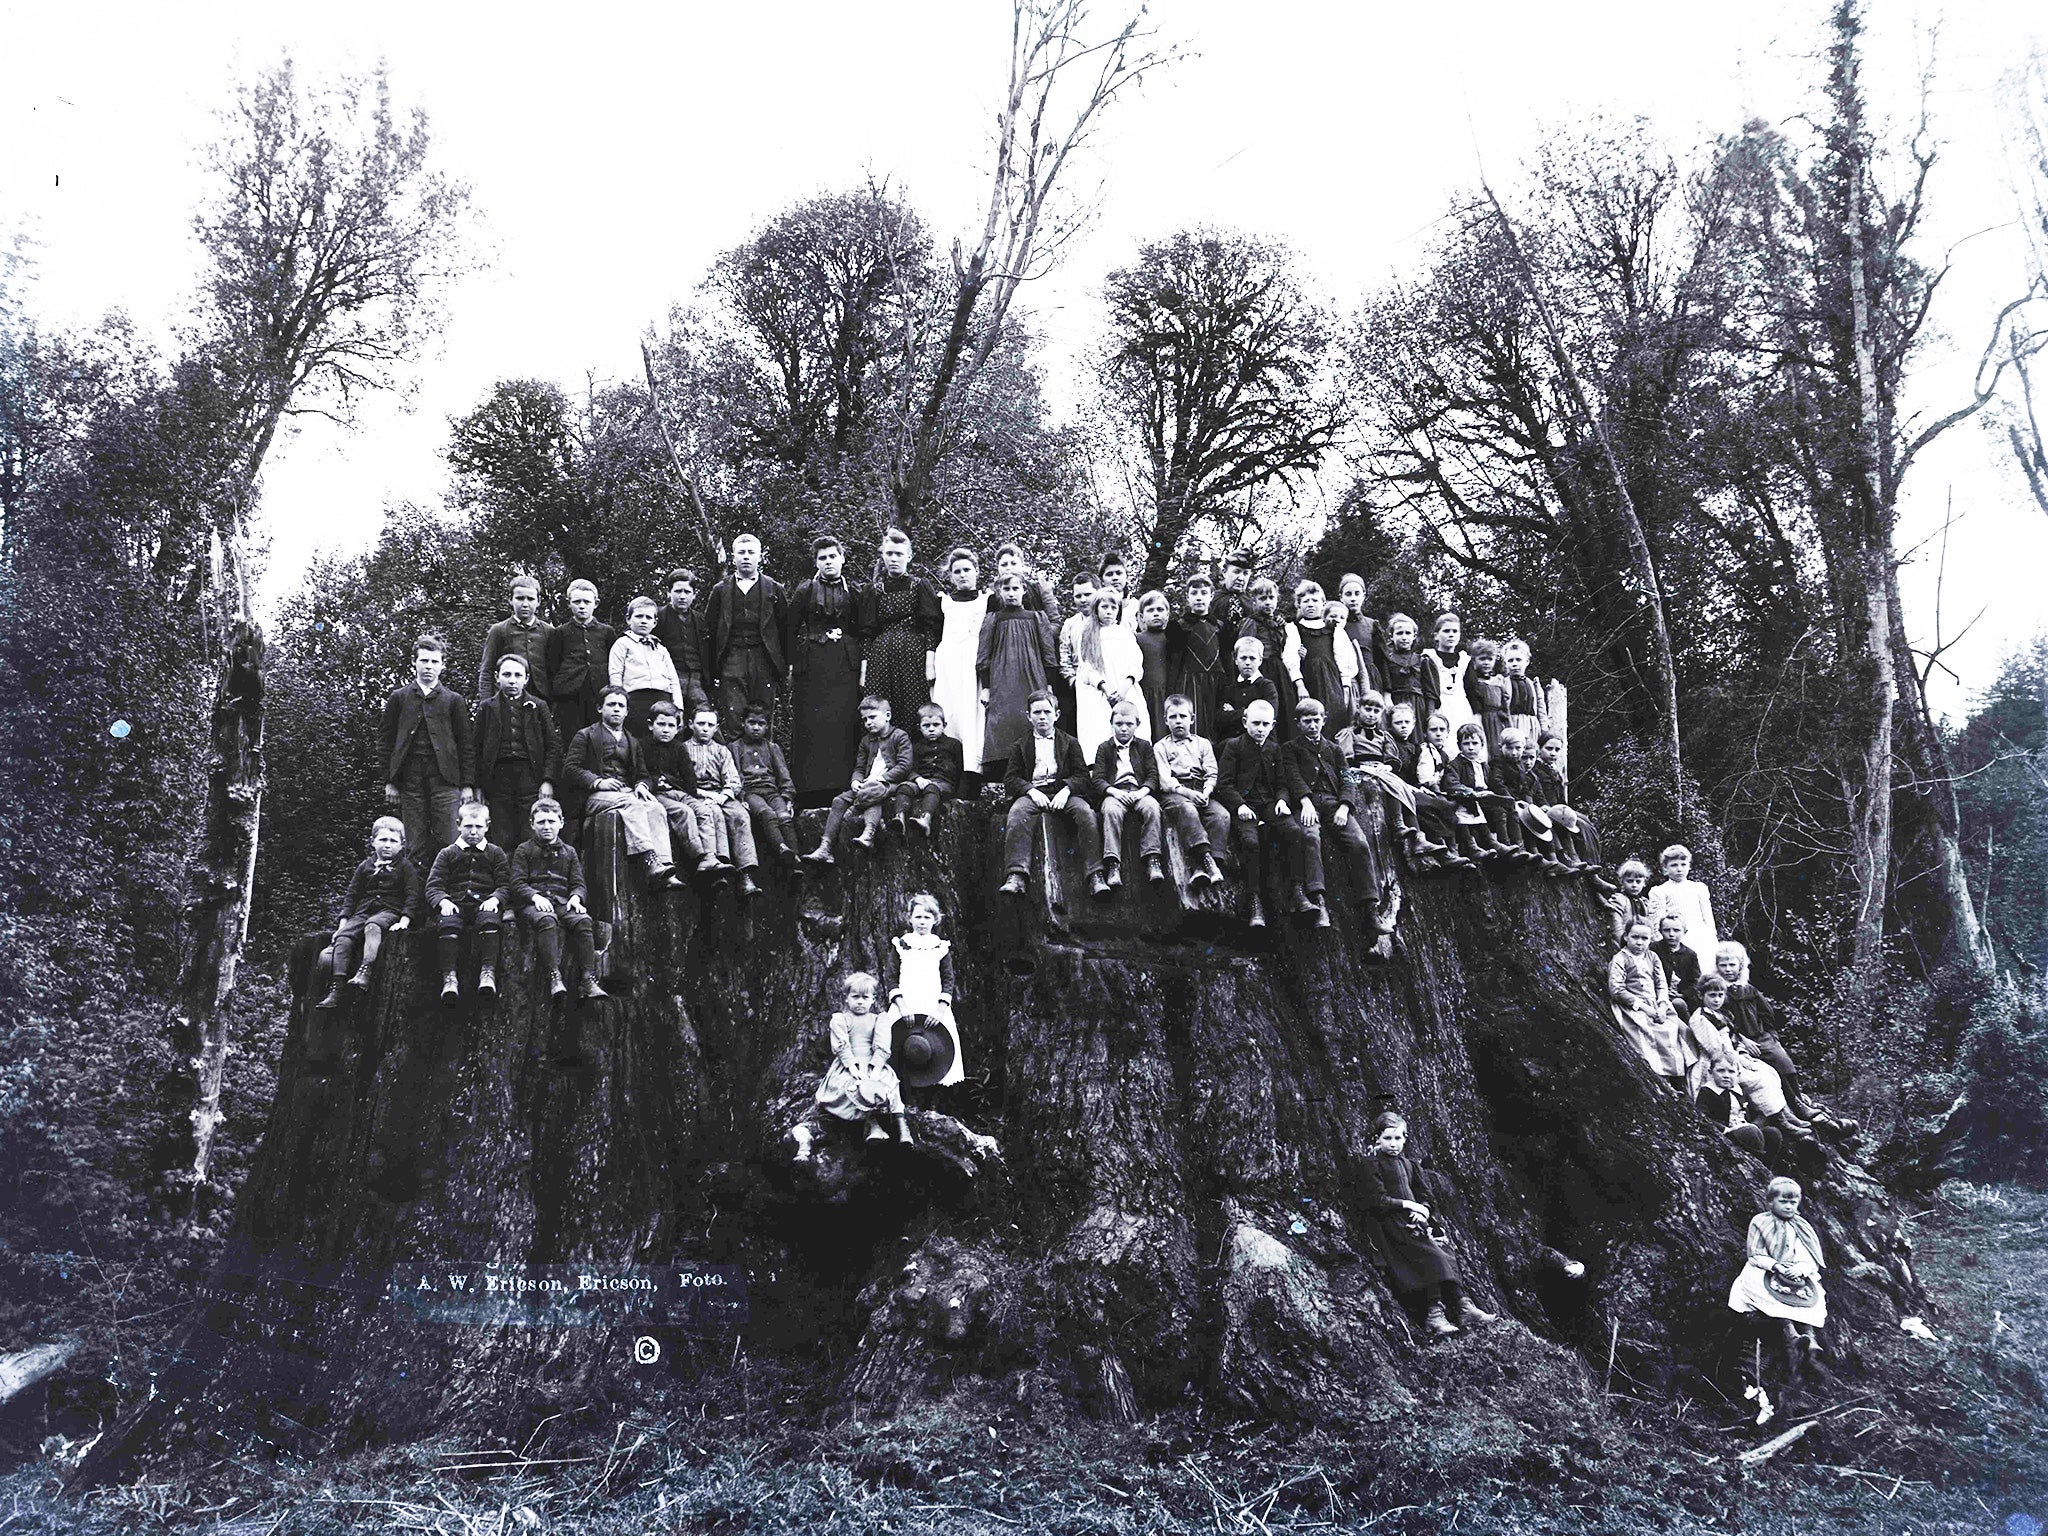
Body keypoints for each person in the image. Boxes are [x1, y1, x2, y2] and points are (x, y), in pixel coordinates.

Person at [1360, 1112, 1496, 1339]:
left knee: (1445, 1251)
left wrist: (1423, 1211)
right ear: (1378, 1140)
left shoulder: (1410, 1165)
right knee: (1429, 1254)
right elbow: (1378, 1201)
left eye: (1398, 1138)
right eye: (1387, 1138)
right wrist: (1410, 1206)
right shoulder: (1372, 1164)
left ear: (1405, 1139)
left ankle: (1464, 1306)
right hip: (1391, 1226)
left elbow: (1426, 1197)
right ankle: (1434, 1315)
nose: (1393, 1144)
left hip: (1416, 1224)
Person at [1714, 943, 1857, 1139]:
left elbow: (1767, 1013)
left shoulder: (1749, 989)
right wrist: (1742, 1039)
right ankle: (1793, 1110)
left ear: (1740, 966)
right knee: (1771, 1072)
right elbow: (1723, 1022)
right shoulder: (1719, 992)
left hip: (1761, 1037)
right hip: (1740, 1041)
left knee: (1785, 1064)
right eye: (1723, 966)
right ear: (1717, 967)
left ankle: (1800, 1103)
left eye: (1732, 965)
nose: (1728, 970)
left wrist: (1771, 1035)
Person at [998, 689, 1107, 900]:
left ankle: (1095, 875)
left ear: (1056, 715)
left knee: (1085, 813)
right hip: (1034, 793)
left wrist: (1066, 790)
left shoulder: (1070, 743)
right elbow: (1011, 779)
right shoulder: (1020, 746)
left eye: (1047, 712)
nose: (1042, 717)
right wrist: (1030, 790)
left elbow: (1083, 777)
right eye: (1037, 712)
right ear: (1028, 716)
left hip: (1062, 793)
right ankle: (1016, 875)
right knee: (1017, 813)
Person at [380, 633, 477, 866]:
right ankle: (417, 900)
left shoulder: (453, 701)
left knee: (451, 841)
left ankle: (451, 899)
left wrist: (466, 785)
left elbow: (466, 745)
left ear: (442, 665)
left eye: (434, 662)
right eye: (424, 661)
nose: (429, 667)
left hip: (446, 781)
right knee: (415, 845)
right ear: (414, 662)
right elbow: (385, 742)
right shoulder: (399, 698)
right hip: (410, 781)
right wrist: (390, 780)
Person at [563, 687, 677, 886]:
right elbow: (570, 768)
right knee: (632, 803)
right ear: (600, 708)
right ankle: (648, 859)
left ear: (627, 712)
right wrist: (598, 781)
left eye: (621, 706)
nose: (616, 709)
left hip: (625, 793)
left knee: (656, 807)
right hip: (595, 797)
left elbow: (643, 775)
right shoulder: (585, 736)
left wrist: (642, 785)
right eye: (611, 704)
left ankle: (665, 867)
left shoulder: (632, 741)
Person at [1282, 696, 1378, 927]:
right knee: (1310, 837)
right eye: (1307, 721)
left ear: (1324, 720)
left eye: (1316, 720)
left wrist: (1345, 806)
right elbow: (1293, 777)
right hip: (1308, 804)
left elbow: (1349, 780)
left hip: (1335, 804)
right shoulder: (1290, 749)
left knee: (1359, 842)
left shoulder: (1335, 750)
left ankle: (1371, 909)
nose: (1313, 726)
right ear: (1298, 723)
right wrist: (1305, 801)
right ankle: (1319, 902)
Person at [785, 536, 864, 806]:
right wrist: (793, 664)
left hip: (845, 666)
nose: (828, 562)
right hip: (813, 666)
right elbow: (790, 629)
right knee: (812, 725)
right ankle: (810, 793)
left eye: (832, 556)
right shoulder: (805, 590)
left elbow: (863, 629)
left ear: (842, 558)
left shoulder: (854, 590)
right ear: (816, 562)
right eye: (822, 558)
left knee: (843, 723)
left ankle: (844, 789)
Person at [314, 814, 416, 1010]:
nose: (387, 845)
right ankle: (337, 987)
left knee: (373, 926)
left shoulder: (405, 867)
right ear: (372, 842)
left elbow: (412, 896)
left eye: (393, 841)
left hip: (389, 911)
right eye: (383, 840)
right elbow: (352, 895)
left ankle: (365, 970)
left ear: (402, 845)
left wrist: (405, 920)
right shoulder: (365, 866)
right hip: (363, 912)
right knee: (343, 939)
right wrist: (343, 923)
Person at [1727, 1176, 1828, 1372]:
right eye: (1783, 1202)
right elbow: (1755, 1253)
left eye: (1793, 1202)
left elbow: (1808, 1253)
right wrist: (1776, 1266)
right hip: (1767, 1268)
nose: (1789, 1207)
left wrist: (1800, 1268)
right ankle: (1790, 1332)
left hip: (1795, 1270)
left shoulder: (1801, 1226)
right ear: (1770, 1201)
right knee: (1766, 1294)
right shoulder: (1760, 1222)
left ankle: (1810, 1336)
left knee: (1810, 1295)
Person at [510, 796, 606, 1002]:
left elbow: (578, 883)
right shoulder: (524, 850)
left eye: (552, 821)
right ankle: (555, 976)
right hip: (532, 905)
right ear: (532, 824)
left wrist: (576, 898)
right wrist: (534, 896)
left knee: (583, 921)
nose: (547, 826)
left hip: (562, 903)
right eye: (541, 822)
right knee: (547, 920)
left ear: (561, 823)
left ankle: (588, 980)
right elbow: (517, 883)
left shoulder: (569, 852)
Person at [472, 653, 563, 857]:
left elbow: (552, 746)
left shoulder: (539, 707)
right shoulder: (487, 708)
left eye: (517, 675)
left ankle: (528, 883)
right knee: (502, 833)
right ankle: (505, 884)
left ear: (526, 678)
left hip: (529, 776)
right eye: (506, 674)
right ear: (497, 677)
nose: (512, 680)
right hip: (498, 777)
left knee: (529, 831)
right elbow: (476, 749)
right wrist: (478, 786)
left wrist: (547, 780)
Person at [806, 696, 913, 863]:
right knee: (839, 800)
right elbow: (859, 768)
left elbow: (905, 766)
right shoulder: (866, 741)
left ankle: (867, 831)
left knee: (873, 792)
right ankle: (825, 848)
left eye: (872, 717)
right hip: (867, 785)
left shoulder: (900, 736)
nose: (868, 723)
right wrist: (855, 781)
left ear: (887, 716)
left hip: (891, 784)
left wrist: (881, 779)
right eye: (864, 720)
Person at [425, 800, 511, 1008]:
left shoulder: (495, 853)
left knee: (491, 922)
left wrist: (495, 898)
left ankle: (487, 972)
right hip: (455, 904)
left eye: (479, 827)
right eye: (468, 826)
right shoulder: (447, 853)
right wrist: (443, 900)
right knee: (448, 925)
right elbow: (433, 886)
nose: (473, 832)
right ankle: (450, 978)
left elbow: (505, 885)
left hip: (484, 904)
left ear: (487, 826)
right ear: (458, 825)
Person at [705, 532, 789, 738]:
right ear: (733, 557)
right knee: (734, 716)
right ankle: (736, 768)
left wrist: (785, 666)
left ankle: (763, 769)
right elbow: (710, 629)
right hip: (732, 658)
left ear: (759, 556)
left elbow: (785, 629)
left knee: (763, 718)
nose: (746, 557)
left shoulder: (774, 589)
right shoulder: (720, 590)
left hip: (764, 659)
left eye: (751, 552)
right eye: (741, 552)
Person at [814, 971, 913, 1145]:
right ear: (846, 998)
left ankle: (902, 1126)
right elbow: (842, 1045)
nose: (860, 1001)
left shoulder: (879, 1019)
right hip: (848, 1065)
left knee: (889, 1083)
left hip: (874, 1064)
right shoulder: (841, 1019)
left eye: (865, 997)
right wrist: (852, 1068)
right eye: (855, 997)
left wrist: (875, 1071)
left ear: (873, 999)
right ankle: (871, 1123)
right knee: (851, 1086)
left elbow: (882, 1045)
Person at [858, 527, 942, 731]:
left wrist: (930, 664)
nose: (893, 559)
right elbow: (867, 633)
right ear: (883, 556)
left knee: (913, 705)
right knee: (881, 709)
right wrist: (864, 670)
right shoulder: (874, 590)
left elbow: (930, 627)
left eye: (899, 554)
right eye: (889, 553)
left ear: (909, 557)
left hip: (913, 655)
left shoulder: (919, 585)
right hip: (881, 658)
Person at [977, 571, 1060, 770]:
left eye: (1016, 588)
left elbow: (1048, 653)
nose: (1011, 593)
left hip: (1033, 677)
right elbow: (983, 655)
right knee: (1002, 723)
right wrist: (986, 687)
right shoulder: (993, 619)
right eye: (1006, 589)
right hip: (1002, 679)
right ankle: (1001, 774)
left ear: (1024, 590)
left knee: (1031, 719)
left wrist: (1049, 684)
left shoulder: (1037, 618)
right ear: (999, 592)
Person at [676, 702, 761, 895]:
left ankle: (744, 874)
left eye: (710, 725)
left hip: (722, 795)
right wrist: (705, 796)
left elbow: (733, 779)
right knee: (713, 814)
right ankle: (719, 868)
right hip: (695, 794)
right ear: (690, 724)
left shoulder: (722, 750)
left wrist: (722, 796)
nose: (705, 729)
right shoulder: (683, 749)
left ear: (716, 728)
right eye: (701, 724)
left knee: (739, 816)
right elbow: (681, 781)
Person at [1214, 697, 1285, 926]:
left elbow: (1283, 783)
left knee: (1292, 832)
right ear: (1245, 722)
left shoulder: (1275, 749)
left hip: (1268, 805)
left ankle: (1295, 891)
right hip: (1245, 806)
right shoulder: (1233, 746)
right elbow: (1224, 783)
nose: (1260, 729)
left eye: (1265, 724)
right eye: (1256, 723)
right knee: (1251, 842)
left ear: (1272, 726)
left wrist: (1282, 800)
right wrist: (1240, 805)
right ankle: (1254, 899)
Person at [885, 892, 965, 1087]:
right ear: (910, 918)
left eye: (927, 917)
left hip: (933, 1008)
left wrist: (940, 1009)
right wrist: (902, 1006)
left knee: (934, 1052)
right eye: (918, 917)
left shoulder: (939, 947)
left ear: (935, 920)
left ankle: (933, 1101)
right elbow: (891, 977)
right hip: (905, 1005)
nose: (922, 922)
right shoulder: (901, 945)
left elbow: (948, 979)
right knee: (902, 1050)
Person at [1153, 694, 1229, 886]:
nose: (1178, 721)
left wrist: (1206, 792)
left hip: (1201, 791)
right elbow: (1165, 779)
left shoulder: (1203, 744)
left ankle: (1210, 863)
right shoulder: (1161, 746)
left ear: (1192, 719)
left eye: (1183, 716)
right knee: (1188, 809)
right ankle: (1205, 860)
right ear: (1165, 720)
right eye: (1173, 717)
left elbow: (1211, 772)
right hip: (1177, 793)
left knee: (1221, 815)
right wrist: (1187, 793)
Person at [1608, 918, 1690, 1093]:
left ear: (1650, 939)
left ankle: (1680, 1081)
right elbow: (1617, 990)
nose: (1639, 942)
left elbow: (1661, 984)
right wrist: (1645, 1008)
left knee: (1679, 1033)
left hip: (1657, 1004)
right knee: (1651, 1037)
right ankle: (1661, 1084)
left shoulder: (1652, 957)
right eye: (1635, 937)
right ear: (1626, 937)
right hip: (1633, 1007)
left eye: (1644, 938)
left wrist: (1661, 1005)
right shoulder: (1620, 959)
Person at [1092, 698, 1165, 889]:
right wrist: (1114, 792)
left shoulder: (1144, 746)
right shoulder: (1104, 748)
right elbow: (1098, 779)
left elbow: (1152, 775)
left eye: (1129, 724)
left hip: (1139, 791)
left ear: (1137, 725)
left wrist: (1142, 792)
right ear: (1111, 724)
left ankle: (1152, 858)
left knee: (1152, 808)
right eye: (1119, 724)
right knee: (1111, 811)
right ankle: (1113, 863)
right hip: (1116, 793)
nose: (1124, 729)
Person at [932, 547, 991, 780]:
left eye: (967, 570)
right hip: (948, 665)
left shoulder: (986, 600)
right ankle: (946, 770)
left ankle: (972, 771)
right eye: (957, 571)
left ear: (976, 571)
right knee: (950, 711)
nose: (962, 575)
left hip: (973, 663)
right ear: (951, 575)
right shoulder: (944, 602)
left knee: (973, 713)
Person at [642, 701, 717, 877]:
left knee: (703, 810)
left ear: (677, 729)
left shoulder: (679, 747)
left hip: (679, 791)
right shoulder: (642, 746)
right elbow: (640, 772)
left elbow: (689, 777)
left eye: (671, 726)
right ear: (650, 725)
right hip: (658, 794)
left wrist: (691, 795)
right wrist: (656, 782)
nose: (666, 730)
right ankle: (698, 855)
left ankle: (710, 856)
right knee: (684, 812)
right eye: (661, 724)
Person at [1074, 587, 1148, 758]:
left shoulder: (1125, 634)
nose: (1109, 612)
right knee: (1099, 730)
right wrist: (1105, 688)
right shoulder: (1087, 634)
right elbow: (1086, 668)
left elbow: (1136, 662)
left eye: (1113, 608)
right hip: (1099, 693)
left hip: (1125, 690)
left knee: (1130, 726)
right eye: (1104, 607)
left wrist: (1125, 686)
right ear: (1096, 609)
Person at [542, 579, 618, 743]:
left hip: (599, 693)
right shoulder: (560, 632)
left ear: (595, 603)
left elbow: (614, 663)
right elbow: (552, 666)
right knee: (573, 741)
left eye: (586, 601)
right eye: (577, 602)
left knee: (599, 741)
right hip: (569, 696)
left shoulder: (607, 632)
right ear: (569, 604)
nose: (582, 606)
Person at [731, 701, 802, 873]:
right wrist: (740, 797)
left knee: (784, 816)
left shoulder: (772, 747)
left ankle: (796, 861)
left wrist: (787, 797)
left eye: (761, 724)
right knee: (767, 813)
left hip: (771, 791)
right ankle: (781, 847)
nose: (756, 728)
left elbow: (783, 774)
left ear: (767, 726)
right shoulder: (735, 747)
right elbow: (735, 775)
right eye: (752, 723)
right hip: (751, 792)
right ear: (743, 723)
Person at [1445, 722, 1529, 863]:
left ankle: (1518, 847)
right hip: (1467, 798)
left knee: (1508, 810)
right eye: (1466, 743)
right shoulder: (1456, 764)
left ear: (1482, 745)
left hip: (1485, 799)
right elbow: (1452, 784)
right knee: (1487, 811)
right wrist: (1471, 793)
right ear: (1459, 745)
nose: (1471, 747)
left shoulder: (1483, 765)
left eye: (1475, 743)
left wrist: (1493, 795)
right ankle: (1495, 845)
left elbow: (1491, 784)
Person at [1284, 580, 1355, 729]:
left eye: (1315, 600)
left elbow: (1344, 661)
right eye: (1305, 601)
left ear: (1323, 603)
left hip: (1332, 684)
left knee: (1334, 721)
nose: (1310, 604)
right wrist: (1300, 685)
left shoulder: (1334, 631)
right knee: (1308, 720)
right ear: (1298, 605)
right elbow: (1290, 658)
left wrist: (1346, 688)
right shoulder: (1294, 629)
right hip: (1307, 681)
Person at [609, 595, 684, 737]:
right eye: (639, 616)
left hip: (663, 698)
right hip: (635, 699)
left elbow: (673, 679)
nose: (643, 621)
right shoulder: (622, 644)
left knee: (662, 738)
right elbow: (615, 675)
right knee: (638, 738)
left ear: (655, 622)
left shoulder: (661, 648)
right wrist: (619, 702)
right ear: (628, 619)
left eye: (648, 618)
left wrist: (678, 707)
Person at [1167, 570, 1225, 737]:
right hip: (1190, 683)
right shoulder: (1179, 626)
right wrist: (1174, 691)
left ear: (1212, 596)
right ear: (1187, 597)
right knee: (1194, 725)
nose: (1199, 597)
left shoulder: (1220, 626)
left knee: (1216, 726)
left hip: (1216, 683)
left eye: (1204, 593)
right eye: (1194, 593)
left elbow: (1226, 659)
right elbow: (1175, 662)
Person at [1693, 1053, 1782, 1162]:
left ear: (1738, 1075)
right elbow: (1702, 1117)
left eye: (1731, 1072)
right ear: (1711, 1073)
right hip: (1726, 1132)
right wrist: (1724, 1129)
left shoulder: (1739, 1090)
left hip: (1746, 1129)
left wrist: (1754, 1125)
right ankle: (1759, 1160)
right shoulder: (1707, 1091)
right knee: (1750, 1133)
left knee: (1773, 1133)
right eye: (1720, 1071)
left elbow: (1756, 1113)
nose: (1726, 1075)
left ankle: (1767, 1166)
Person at [892, 702, 963, 837]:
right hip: (922, 781)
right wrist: (917, 778)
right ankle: (899, 817)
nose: (931, 729)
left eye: (936, 725)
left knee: (932, 788)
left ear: (944, 725)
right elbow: (910, 768)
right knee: (904, 788)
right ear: (919, 727)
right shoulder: (916, 747)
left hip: (944, 784)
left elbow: (960, 769)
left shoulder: (953, 745)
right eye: (926, 726)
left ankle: (925, 819)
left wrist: (959, 794)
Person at [478, 575, 553, 703]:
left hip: (541, 700)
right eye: (519, 598)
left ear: (538, 601)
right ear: (511, 600)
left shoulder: (548, 631)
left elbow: (554, 670)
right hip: (506, 700)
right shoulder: (499, 630)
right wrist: (487, 705)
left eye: (530, 599)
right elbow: (487, 670)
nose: (525, 604)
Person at [1238, 577, 1297, 740]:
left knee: (1284, 709)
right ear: (1254, 601)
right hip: (1261, 670)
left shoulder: (1280, 623)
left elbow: (1285, 647)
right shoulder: (1251, 623)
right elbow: (1244, 647)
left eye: (1271, 598)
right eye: (1262, 598)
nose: (1267, 602)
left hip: (1279, 671)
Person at [1646, 845, 1718, 970]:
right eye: (1674, 865)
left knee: (1706, 970)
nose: (1679, 869)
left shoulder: (1699, 888)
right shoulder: (1660, 891)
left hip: (1701, 936)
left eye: (1683, 864)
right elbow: (1657, 923)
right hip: (1676, 937)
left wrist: (1712, 936)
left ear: (1689, 866)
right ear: (1665, 868)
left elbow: (1708, 917)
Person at [654, 567, 711, 718]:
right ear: (668, 593)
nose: (682, 596)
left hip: (696, 679)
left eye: (687, 592)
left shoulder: (700, 620)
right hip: (670, 678)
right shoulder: (657, 617)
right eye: (678, 591)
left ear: (694, 595)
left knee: (704, 717)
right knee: (672, 718)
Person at [1420, 612, 1476, 743]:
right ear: (1436, 636)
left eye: (1455, 631)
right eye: (1446, 631)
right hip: (1439, 707)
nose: (1451, 634)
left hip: (1461, 708)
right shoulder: (1428, 657)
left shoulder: (1465, 660)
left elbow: (1471, 690)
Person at [1215, 635, 1279, 743]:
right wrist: (1248, 712)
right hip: (1233, 742)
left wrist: (1236, 713)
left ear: (1260, 660)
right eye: (1243, 658)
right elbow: (1220, 719)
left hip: (1262, 742)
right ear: (1235, 660)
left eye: (1252, 658)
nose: (1248, 662)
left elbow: (1268, 714)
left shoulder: (1266, 686)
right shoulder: (1229, 688)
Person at [1055, 571, 1096, 730]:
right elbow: (1064, 656)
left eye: (1088, 594)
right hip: (1079, 685)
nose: (1083, 600)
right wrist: (1073, 680)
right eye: (1078, 596)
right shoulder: (1070, 624)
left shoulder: (1106, 620)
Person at [1335, 572, 1384, 702]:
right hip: (1344, 679)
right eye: (1348, 594)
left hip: (1370, 678)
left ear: (1364, 596)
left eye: (1357, 594)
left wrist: (1388, 692)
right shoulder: (1336, 625)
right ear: (1341, 597)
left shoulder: (1372, 625)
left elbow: (1382, 661)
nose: (1353, 598)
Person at [1499, 638, 1552, 752]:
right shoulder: (1502, 683)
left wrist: (1544, 730)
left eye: (1518, 660)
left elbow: (1541, 708)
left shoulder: (1533, 684)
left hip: (1532, 726)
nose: (1515, 664)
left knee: (1529, 754)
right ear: (1505, 663)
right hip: (1511, 724)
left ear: (1526, 661)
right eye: (1510, 660)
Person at [1464, 638, 1511, 762]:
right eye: (1482, 659)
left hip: (1497, 720)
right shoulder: (1473, 681)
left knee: (1498, 749)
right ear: (1474, 660)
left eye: (1490, 659)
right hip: (1481, 718)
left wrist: (1506, 720)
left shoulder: (1498, 681)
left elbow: (1504, 703)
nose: (1486, 662)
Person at [1133, 590, 1173, 734]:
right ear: (1142, 617)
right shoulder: (1137, 638)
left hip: (1168, 692)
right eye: (1150, 610)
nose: (1156, 613)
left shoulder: (1172, 637)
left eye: (1160, 609)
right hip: (1145, 692)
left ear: (1167, 615)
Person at [1651, 914, 1704, 1017]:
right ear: (1660, 931)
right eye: (1666, 930)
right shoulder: (1653, 949)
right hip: (1656, 994)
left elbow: (1696, 982)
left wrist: (1683, 994)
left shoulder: (1690, 955)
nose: (1671, 934)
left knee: (1679, 1004)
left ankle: (1689, 1029)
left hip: (1680, 997)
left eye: (1676, 930)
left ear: (1684, 932)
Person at [1379, 613, 1426, 723]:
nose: (1404, 637)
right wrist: (1387, 699)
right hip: (1394, 702)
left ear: (1414, 636)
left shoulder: (1422, 660)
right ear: (1391, 636)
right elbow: (1385, 684)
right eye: (1399, 633)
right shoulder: (1387, 659)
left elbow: (1430, 691)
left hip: (1417, 704)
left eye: (1408, 633)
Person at [993, 542, 1055, 613]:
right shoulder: (991, 592)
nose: (1009, 568)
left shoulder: (1038, 589)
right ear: (997, 567)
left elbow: (1053, 619)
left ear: (1022, 564)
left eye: (1014, 564)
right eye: (1004, 565)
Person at [1607, 858, 1654, 944]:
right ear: (1622, 881)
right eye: (1630, 881)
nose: (1634, 885)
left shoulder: (1644, 902)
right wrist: (1624, 943)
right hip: (1624, 942)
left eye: (1638, 881)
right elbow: (1616, 926)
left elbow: (1650, 925)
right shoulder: (1619, 899)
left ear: (1644, 883)